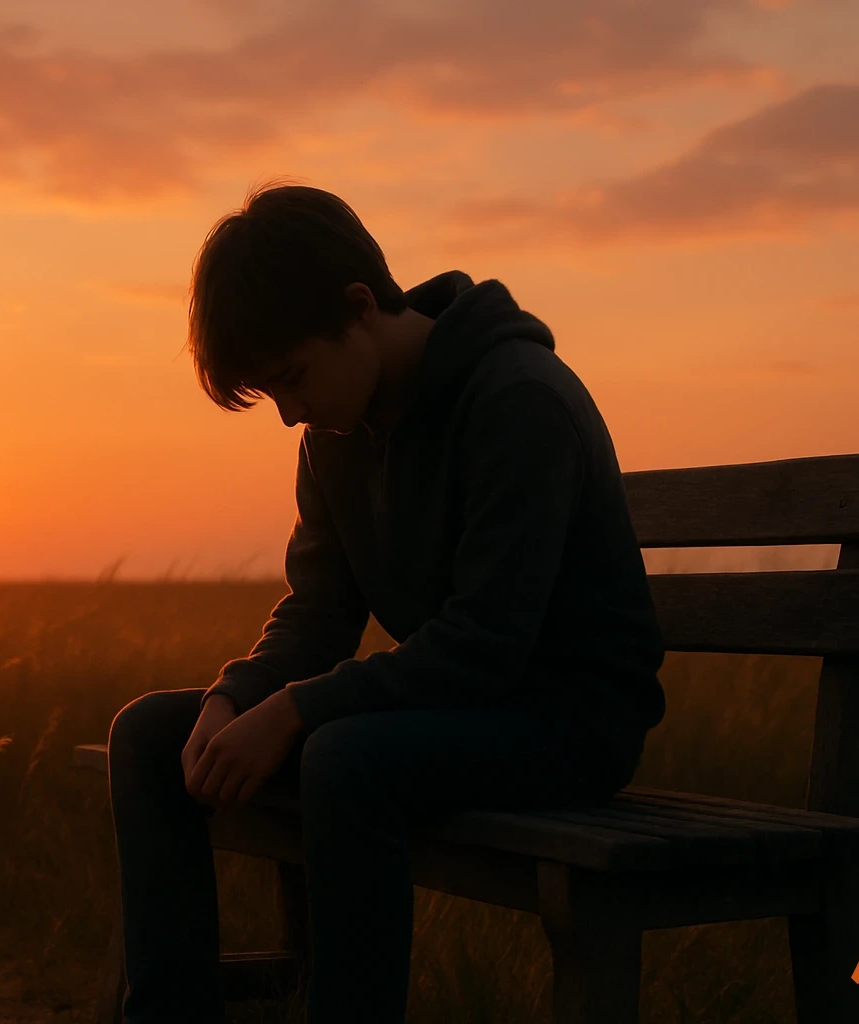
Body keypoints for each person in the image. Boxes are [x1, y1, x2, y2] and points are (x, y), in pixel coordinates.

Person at [106, 178, 667, 1024]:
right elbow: (320, 610)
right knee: (152, 735)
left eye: (292, 377)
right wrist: (239, 695)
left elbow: (486, 644)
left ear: (360, 305)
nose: (290, 412)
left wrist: (298, 710)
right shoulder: (338, 431)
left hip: (569, 718)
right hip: (455, 710)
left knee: (346, 761)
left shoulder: (518, 399)